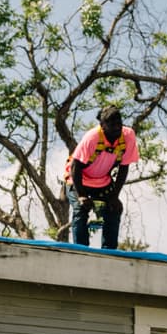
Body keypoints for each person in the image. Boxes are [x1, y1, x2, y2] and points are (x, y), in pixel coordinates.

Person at [64, 105, 140, 250]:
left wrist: (115, 196)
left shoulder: (128, 136)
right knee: (81, 209)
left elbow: (124, 167)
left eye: (119, 123)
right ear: (102, 125)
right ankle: (81, 250)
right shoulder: (92, 138)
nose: (117, 128)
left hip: (102, 181)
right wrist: (81, 195)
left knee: (115, 208)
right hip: (79, 179)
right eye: (112, 124)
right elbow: (75, 167)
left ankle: (109, 251)